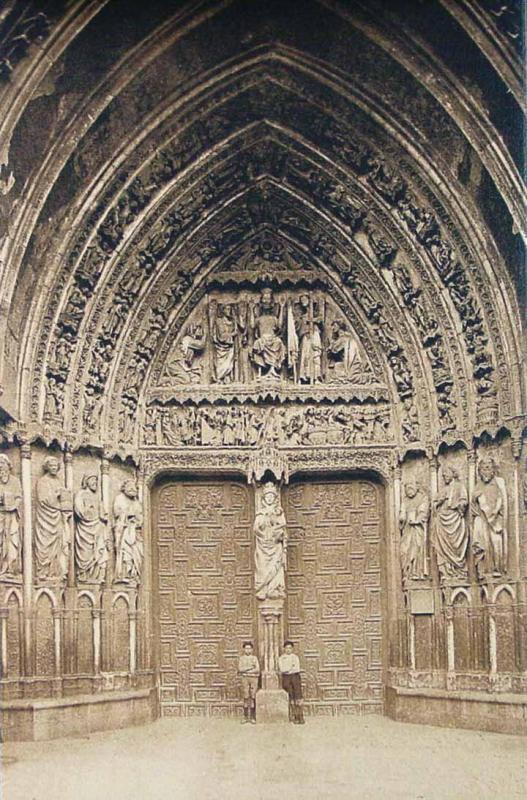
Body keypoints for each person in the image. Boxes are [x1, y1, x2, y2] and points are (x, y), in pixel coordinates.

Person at [279, 641, 305, 724]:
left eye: (290, 648)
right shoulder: (281, 658)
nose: (288, 650)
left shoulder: (295, 657)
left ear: (292, 649)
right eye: (286, 648)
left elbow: (297, 668)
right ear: (284, 649)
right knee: (290, 696)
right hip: (286, 678)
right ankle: (293, 716)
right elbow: (282, 669)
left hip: (295, 677)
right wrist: (290, 667)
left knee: (298, 696)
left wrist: (288, 669)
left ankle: (300, 716)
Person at [238, 641, 260, 724]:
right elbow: (240, 669)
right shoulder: (241, 658)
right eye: (246, 648)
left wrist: (246, 670)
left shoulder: (254, 658)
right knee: (246, 696)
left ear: (252, 649)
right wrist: (251, 668)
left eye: (249, 648)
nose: (248, 650)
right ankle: (246, 716)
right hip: (245, 678)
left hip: (254, 678)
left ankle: (253, 717)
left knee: (253, 696)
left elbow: (257, 669)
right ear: (244, 649)